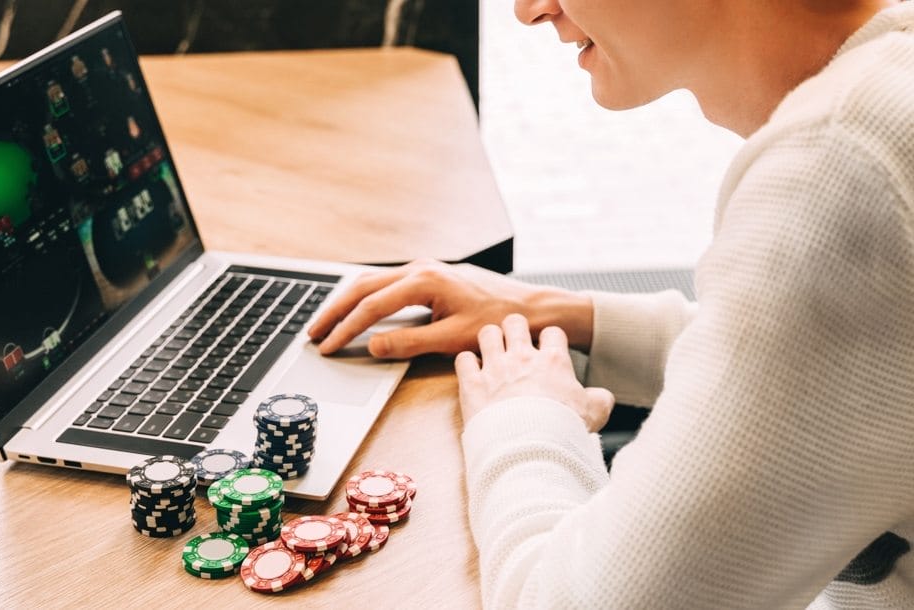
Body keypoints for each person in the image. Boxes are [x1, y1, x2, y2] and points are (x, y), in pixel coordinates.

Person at [309, 0, 914, 607]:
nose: (529, 11)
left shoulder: (844, 168)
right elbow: (860, 365)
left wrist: (523, 415)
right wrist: (574, 320)